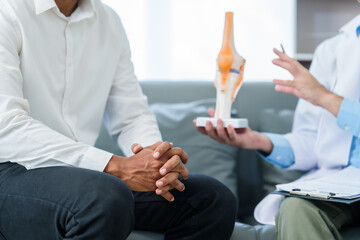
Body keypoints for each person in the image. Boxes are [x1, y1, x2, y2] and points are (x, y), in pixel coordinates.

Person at [0, 0, 238, 239]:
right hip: (11, 171)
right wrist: (117, 167)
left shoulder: (108, 21)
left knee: (211, 198)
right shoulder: (7, 10)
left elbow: (131, 115)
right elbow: (6, 127)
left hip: (81, 176)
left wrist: (156, 159)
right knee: (104, 197)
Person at [195, 12, 360, 240]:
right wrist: (259, 141)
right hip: (341, 184)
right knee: (297, 208)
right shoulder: (331, 50)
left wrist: (327, 99)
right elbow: (314, 141)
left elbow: (326, 101)